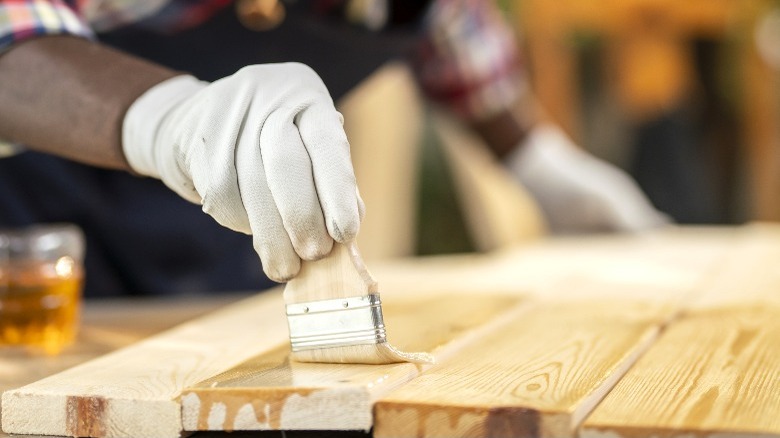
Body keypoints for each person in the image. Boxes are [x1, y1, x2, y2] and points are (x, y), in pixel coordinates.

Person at [0, 0, 668, 297]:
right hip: (38, 271)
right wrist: (170, 120)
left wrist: (540, 165)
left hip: (227, 267)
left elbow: (454, 36)